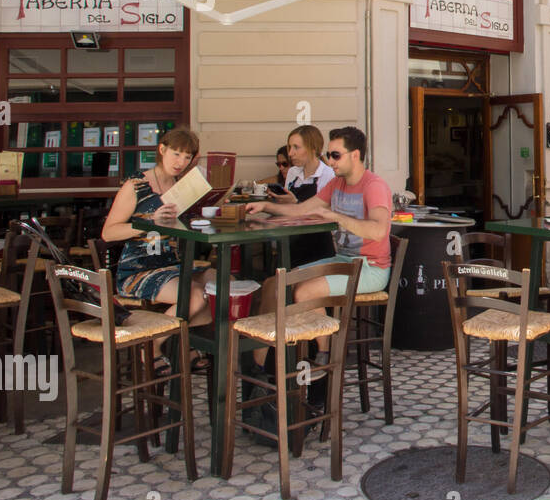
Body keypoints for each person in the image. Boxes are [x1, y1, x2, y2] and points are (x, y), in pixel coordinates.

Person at [246, 126, 392, 378]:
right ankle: (261, 366)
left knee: (304, 291)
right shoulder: (337, 183)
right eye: (329, 154)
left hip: (371, 267)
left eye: (336, 155)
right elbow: (302, 209)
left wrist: (335, 216)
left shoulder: (374, 186)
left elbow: (379, 231)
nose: (330, 160)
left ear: (355, 155)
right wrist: (266, 206)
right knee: (276, 283)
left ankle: (324, 357)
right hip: (344, 260)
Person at [101, 127, 212, 364]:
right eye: (176, 154)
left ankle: (180, 343)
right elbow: (108, 233)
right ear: (162, 150)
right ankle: (153, 344)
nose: (180, 162)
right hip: (139, 269)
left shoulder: (182, 187)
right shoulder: (137, 185)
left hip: (173, 265)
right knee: (195, 297)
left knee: (221, 284)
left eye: (187, 157)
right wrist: (149, 222)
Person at [268, 124, 337, 265]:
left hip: (317, 247)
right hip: (291, 242)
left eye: (296, 147)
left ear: (313, 148)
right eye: (289, 147)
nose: (290, 153)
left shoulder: (329, 175)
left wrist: (295, 204)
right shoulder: (293, 173)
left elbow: (326, 215)